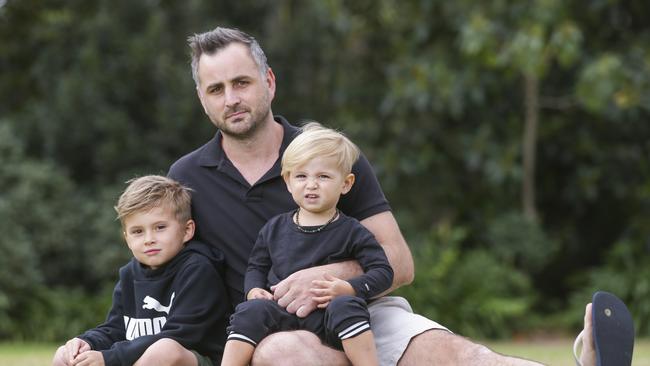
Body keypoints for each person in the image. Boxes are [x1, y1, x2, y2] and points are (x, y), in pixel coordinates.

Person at [168, 26, 627, 366]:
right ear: (202, 99)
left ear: (268, 82)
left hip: (358, 308)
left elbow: (399, 263)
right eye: (216, 89)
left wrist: (330, 278)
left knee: (462, 356)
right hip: (266, 333)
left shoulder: (330, 154)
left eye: (241, 83)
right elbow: (159, 274)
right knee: (283, 354)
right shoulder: (186, 178)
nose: (231, 98)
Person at [221, 122, 394, 366]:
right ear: (288, 181)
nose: (311, 184)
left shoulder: (353, 231)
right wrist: (253, 290)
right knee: (251, 310)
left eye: (323, 176)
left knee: (347, 306)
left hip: (330, 317)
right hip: (281, 312)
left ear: (346, 183)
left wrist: (350, 288)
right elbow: (256, 267)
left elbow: (383, 272)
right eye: (301, 176)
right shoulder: (274, 228)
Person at [52, 175, 230, 366]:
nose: (149, 239)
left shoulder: (197, 270)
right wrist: (87, 342)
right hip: (140, 359)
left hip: (193, 359)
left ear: (187, 230)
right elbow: (116, 328)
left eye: (160, 227)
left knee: (165, 350)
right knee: (65, 354)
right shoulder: (129, 274)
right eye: (138, 231)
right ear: (127, 238)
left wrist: (110, 358)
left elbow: (180, 335)